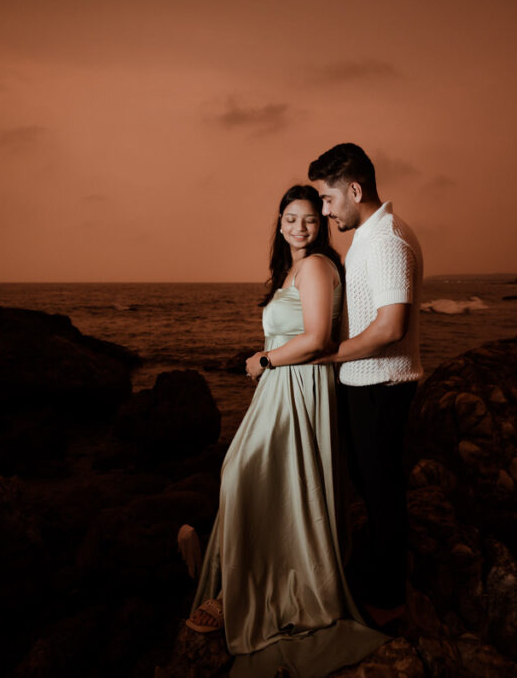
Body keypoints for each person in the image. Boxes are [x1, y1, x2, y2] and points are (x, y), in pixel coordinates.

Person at [186, 185, 388, 677]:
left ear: (320, 226)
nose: (300, 227)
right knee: (258, 478)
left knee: (243, 473)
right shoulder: (290, 269)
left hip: (300, 384)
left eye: (310, 220)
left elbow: (318, 338)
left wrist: (264, 359)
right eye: (292, 219)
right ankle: (229, 581)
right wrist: (269, 365)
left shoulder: (317, 266)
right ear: (280, 223)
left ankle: (244, 591)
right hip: (281, 386)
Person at [308, 143, 423, 630]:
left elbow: (391, 327)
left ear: (355, 189)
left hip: (382, 385)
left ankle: (389, 601)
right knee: (373, 489)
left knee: (382, 494)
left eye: (330, 199)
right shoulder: (371, 237)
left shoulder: (387, 239)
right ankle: (379, 576)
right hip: (367, 383)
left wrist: (331, 353)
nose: (325, 210)